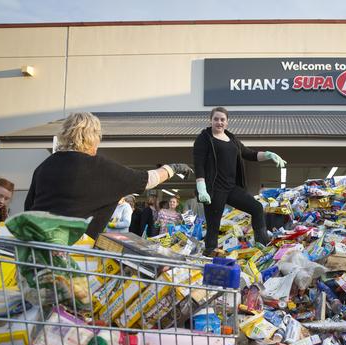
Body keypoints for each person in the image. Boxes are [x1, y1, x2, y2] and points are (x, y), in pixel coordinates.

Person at [24, 112, 193, 239]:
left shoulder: (44, 167)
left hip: (37, 247)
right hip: (76, 253)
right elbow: (147, 179)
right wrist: (173, 168)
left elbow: (29, 206)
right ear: (94, 138)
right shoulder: (101, 168)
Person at [193, 106, 286, 255]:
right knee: (213, 226)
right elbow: (199, 164)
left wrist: (268, 155)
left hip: (231, 188)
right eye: (216, 119)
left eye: (222, 119)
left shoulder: (232, 139)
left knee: (256, 208)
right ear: (210, 120)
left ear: (227, 122)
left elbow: (249, 154)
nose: (219, 122)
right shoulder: (204, 138)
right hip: (214, 190)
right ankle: (210, 256)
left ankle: (262, 246)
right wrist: (201, 187)